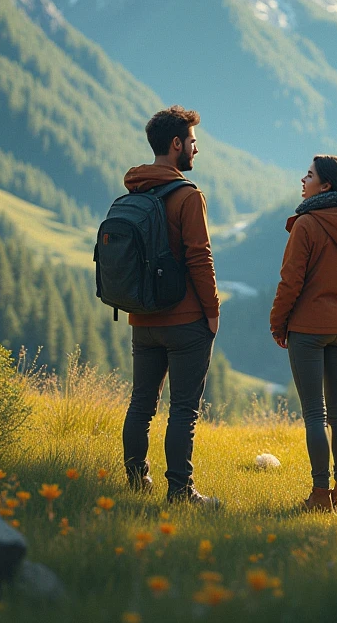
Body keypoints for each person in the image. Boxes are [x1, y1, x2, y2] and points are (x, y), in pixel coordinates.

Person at [122, 105, 220, 506]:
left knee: (141, 404)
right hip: (185, 321)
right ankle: (180, 491)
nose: (195, 150)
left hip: (142, 317)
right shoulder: (187, 196)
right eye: (193, 142)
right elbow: (200, 258)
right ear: (176, 144)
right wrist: (212, 312)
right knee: (183, 409)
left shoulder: (136, 188)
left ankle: (135, 480)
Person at [270, 155, 337, 512]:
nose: (303, 179)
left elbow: (290, 282)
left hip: (307, 330)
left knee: (315, 414)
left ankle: (319, 495)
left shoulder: (307, 225)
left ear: (325, 185)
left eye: (309, 174)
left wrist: (278, 323)